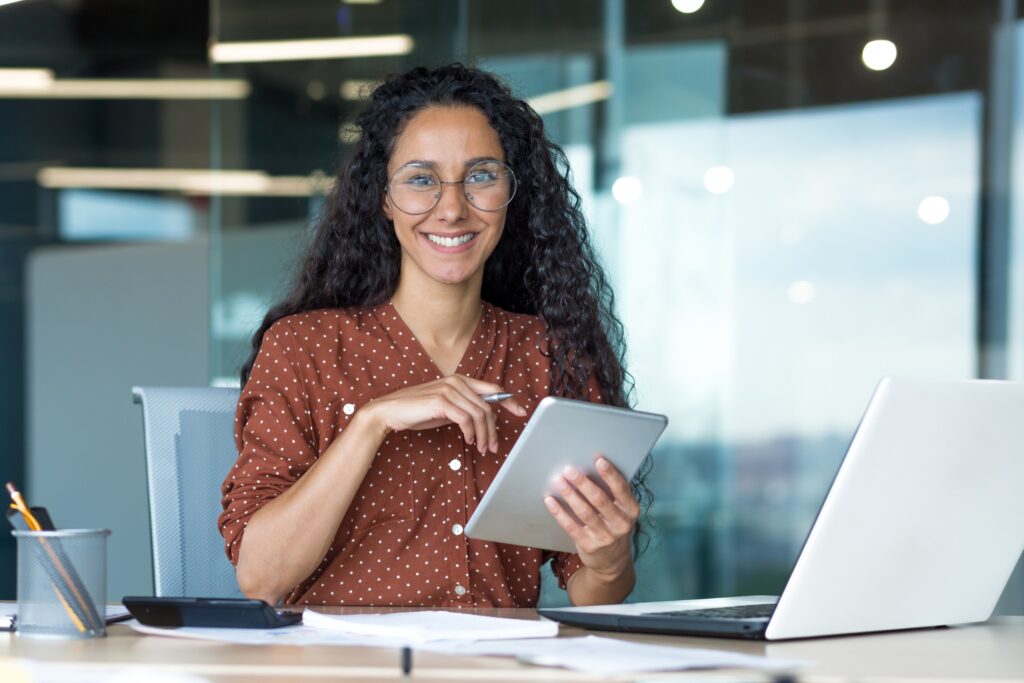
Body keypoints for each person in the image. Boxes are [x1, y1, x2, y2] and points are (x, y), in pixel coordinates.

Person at [218, 64, 650, 608]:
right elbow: (262, 579)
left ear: (512, 193)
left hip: (497, 666)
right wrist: (371, 422)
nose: (451, 209)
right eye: (421, 179)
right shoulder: (304, 348)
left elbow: (593, 591)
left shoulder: (551, 354)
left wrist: (609, 559)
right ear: (383, 197)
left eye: (481, 176)